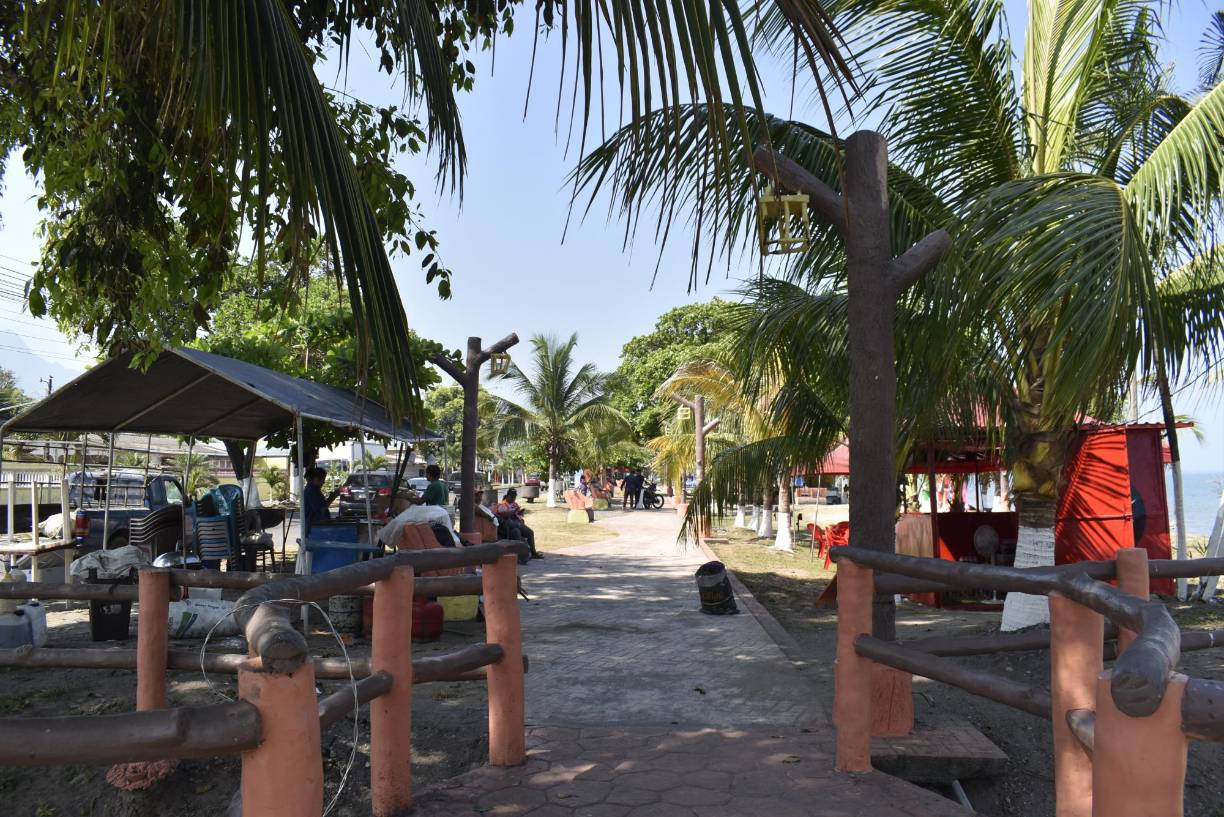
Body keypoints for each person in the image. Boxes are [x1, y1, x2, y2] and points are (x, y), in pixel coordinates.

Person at [494, 488, 540, 559]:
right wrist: (513, 511)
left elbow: (518, 514)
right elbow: (503, 514)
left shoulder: (515, 504)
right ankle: (523, 553)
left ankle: (533, 552)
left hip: (517, 522)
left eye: (514, 497)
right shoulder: (502, 504)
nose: (513, 498)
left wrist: (519, 512)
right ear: (507, 496)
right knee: (517, 530)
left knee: (530, 532)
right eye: (512, 497)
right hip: (508, 523)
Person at [302, 466, 341, 536]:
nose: (323, 482)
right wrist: (332, 497)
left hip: (317, 526)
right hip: (315, 528)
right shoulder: (311, 491)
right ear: (316, 479)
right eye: (323, 480)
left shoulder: (314, 490)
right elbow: (322, 509)